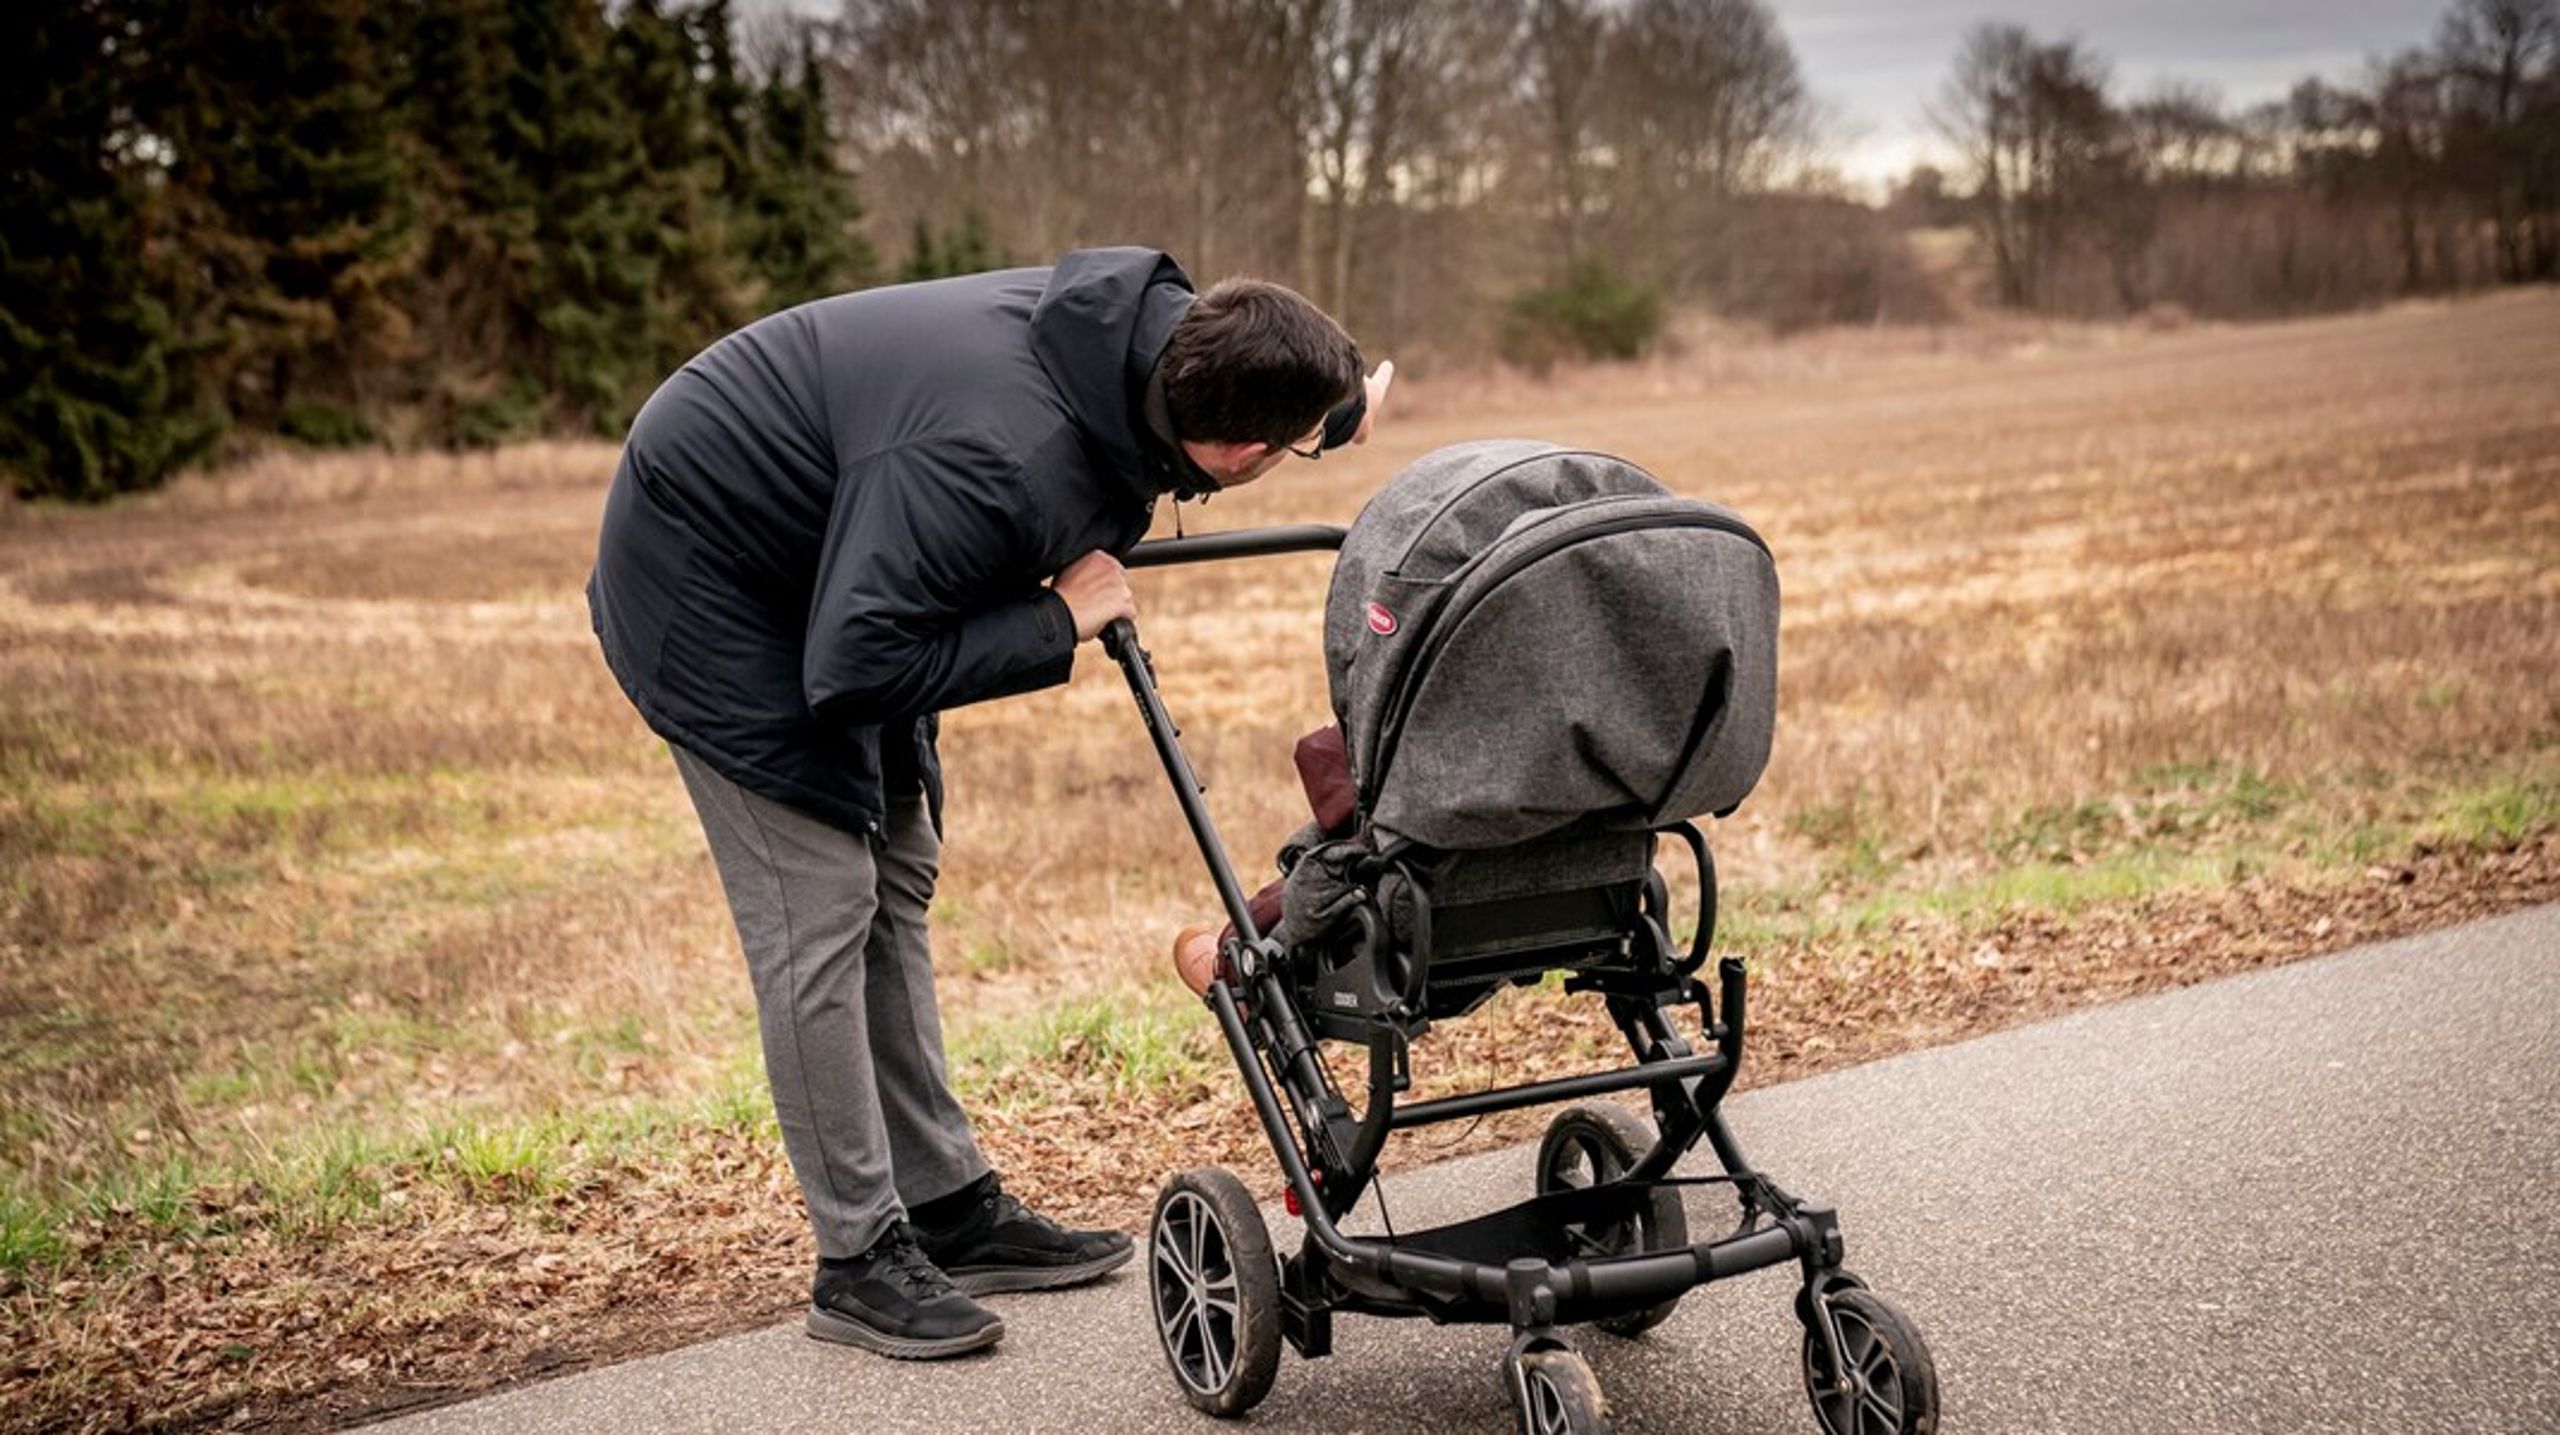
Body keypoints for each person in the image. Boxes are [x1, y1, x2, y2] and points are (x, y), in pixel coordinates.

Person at [588, 247, 1389, 1360]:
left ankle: (949, 1207)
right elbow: (851, 664)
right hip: (716, 581)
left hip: (847, 549)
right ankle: (858, 1261)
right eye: (1287, 449)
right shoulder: (994, 457)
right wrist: (1058, 623)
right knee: (819, 909)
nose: (1282, 459)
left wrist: (1341, 409)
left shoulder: (1165, 339)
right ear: (1237, 444)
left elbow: (1253, 401)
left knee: (899, 870)